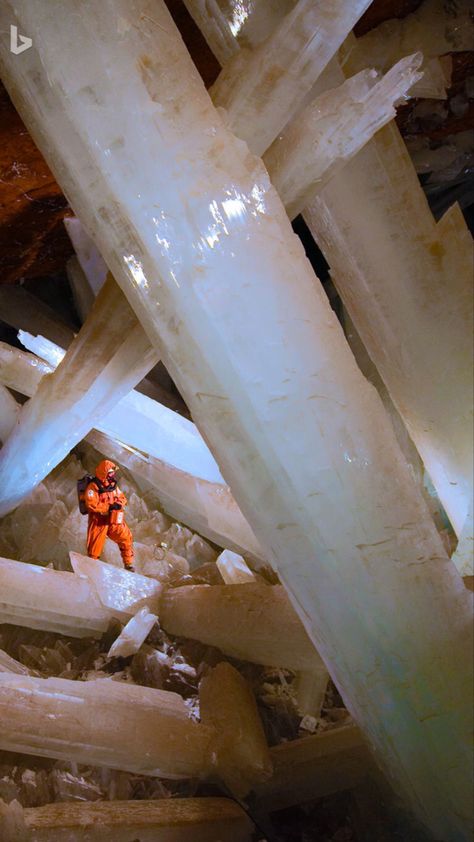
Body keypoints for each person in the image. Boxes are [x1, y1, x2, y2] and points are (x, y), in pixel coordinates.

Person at [84, 459, 135, 572]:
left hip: (113, 519)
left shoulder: (113, 487)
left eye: (113, 473)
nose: (113, 475)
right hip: (98, 521)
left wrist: (118, 504)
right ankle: (91, 571)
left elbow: (122, 498)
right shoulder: (93, 487)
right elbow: (91, 504)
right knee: (94, 550)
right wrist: (108, 507)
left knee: (126, 538)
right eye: (111, 472)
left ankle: (129, 564)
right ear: (105, 473)